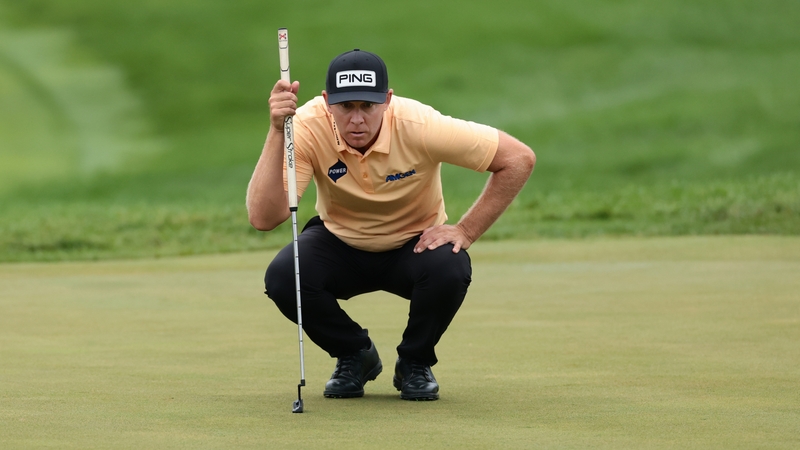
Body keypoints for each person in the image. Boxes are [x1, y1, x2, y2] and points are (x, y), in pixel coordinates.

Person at [246, 49, 535, 401]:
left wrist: (466, 230)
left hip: (414, 244)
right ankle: (354, 354)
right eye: (345, 106)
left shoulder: (420, 125)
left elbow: (518, 158)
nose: (357, 119)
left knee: (450, 264)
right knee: (283, 276)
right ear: (326, 102)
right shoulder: (306, 125)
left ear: (387, 100)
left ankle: (414, 362)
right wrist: (277, 131)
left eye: (367, 106)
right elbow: (264, 218)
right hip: (340, 240)